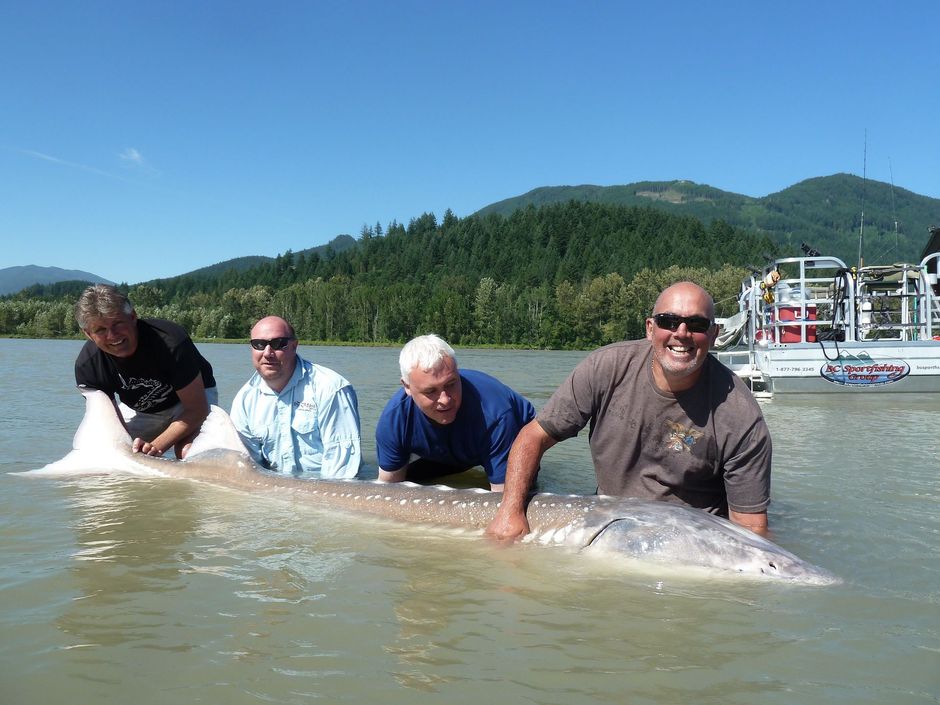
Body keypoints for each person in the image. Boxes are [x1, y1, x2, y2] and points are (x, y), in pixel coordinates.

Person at [487, 281, 772, 539]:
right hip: (608, 523)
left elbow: (750, 528)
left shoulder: (741, 416)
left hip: (688, 538)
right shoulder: (606, 368)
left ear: (713, 334)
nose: (681, 333)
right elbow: (533, 437)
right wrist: (510, 510)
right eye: (668, 321)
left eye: (696, 324)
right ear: (650, 328)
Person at [375, 334, 536, 491]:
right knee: (410, 484)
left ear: (457, 372)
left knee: (521, 496)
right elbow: (387, 490)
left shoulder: (496, 414)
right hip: (450, 448)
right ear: (407, 387)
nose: (444, 400)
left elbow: (506, 502)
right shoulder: (393, 421)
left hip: (513, 433)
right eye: (430, 391)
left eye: (451, 384)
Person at [73, 284, 217, 459]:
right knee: (106, 453)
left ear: (133, 317)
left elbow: (196, 409)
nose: (112, 336)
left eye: (118, 323)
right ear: (88, 334)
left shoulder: (171, 341)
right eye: (100, 330)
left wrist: (156, 446)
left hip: (191, 401)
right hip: (144, 410)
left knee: (187, 452)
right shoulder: (88, 366)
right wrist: (131, 447)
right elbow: (113, 425)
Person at [230, 316, 361, 478]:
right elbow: (247, 466)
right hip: (275, 491)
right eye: (259, 344)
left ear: (294, 346)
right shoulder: (244, 399)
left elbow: (342, 472)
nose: (268, 353)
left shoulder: (331, 388)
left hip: (323, 492)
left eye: (278, 344)